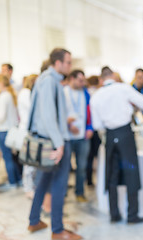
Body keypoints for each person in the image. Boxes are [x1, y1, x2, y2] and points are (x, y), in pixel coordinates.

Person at [27, 48, 83, 240]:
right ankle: (58, 231)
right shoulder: (50, 81)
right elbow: (48, 115)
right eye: (68, 62)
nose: (70, 66)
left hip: (48, 140)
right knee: (59, 185)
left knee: (43, 181)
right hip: (55, 141)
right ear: (57, 63)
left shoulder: (46, 79)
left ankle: (34, 220)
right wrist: (59, 144)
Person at [91, 66, 143, 224]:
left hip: (110, 137)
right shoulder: (123, 88)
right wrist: (131, 107)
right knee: (131, 172)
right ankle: (132, 214)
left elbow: (97, 125)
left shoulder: (95, 96)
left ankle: (114, 214)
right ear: (113, 75)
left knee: (112, 175)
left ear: (101, 79)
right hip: (125, 134)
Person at [64, 70, 94, 202]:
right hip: (68, 136)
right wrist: (69, 125)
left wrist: (90, 127)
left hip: (83, 136)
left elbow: (90, 112)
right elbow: (60, 113)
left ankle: (79, 192)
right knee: (65, 167)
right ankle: (62, 192)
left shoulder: (86, 93)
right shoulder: (63, 92)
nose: (83, 83)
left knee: (81, 166)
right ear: (72, 79)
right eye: (80, 80)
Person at [0, 75, 20, 188]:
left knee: (7, 157)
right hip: (12, 129)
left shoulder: (4, 96)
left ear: (1, 84)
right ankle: (18, 179)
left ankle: (12, 182)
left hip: (4, 130)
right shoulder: (11, 95)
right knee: (13, 157)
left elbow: (1, 116)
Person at [18, 74, 38, 198]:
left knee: (32, 163)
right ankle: (28, 188)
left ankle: (30, 186)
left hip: (30, 131)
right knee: (29, 163)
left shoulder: (28, 93)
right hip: (27, 131)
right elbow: (33, 109)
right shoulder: (25, 93)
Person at [85, 75, 101, 187]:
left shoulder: (86, 93)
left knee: (89, 157)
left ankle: (89, 179)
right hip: (95, 129)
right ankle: (99, 178)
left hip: (88, 128)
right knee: (98, 155)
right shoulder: (98, 94)